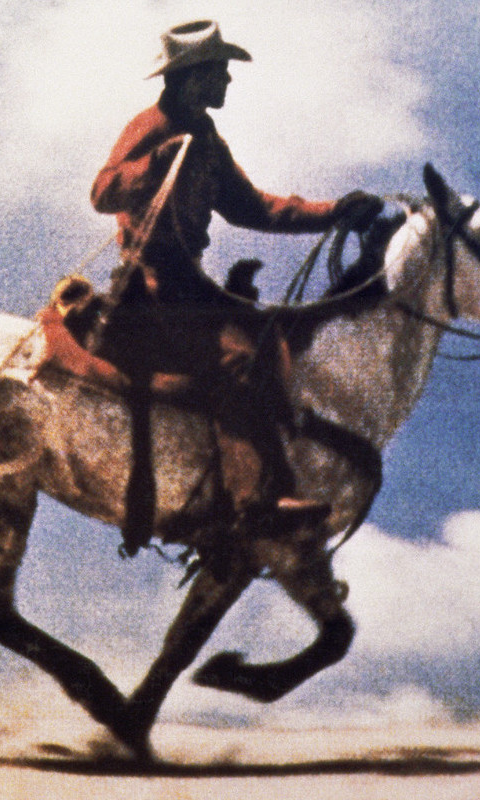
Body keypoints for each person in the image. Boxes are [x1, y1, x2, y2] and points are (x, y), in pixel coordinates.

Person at [89, 19, 382, 553]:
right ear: (190, 78)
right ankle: (253, 502)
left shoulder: (205, 139)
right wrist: (155, 163)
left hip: (189, 284)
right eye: (219, 72)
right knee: (238, 359)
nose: (227, 82)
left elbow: (254, 207)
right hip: (151, 285)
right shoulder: (153, 126)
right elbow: (104, 191)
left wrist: (335, 212)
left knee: (272, 339)